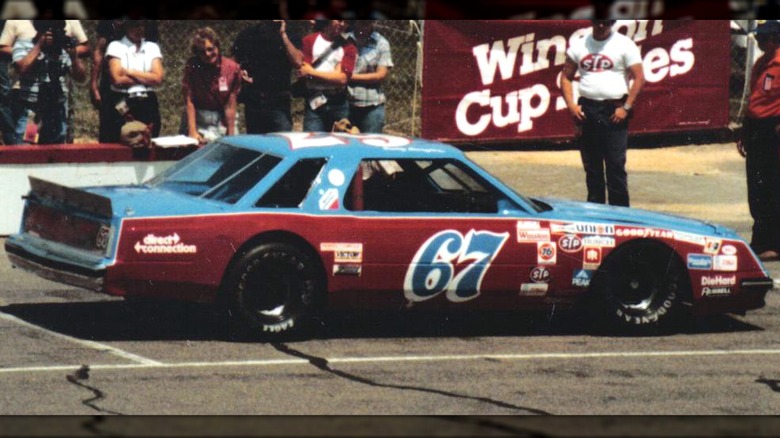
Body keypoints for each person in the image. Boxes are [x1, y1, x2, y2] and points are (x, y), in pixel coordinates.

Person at [560, 19, 645, 207]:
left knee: (615, 166)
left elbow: (639, 77)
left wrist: (626, 107)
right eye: (598, 22)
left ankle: (621, 216)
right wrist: (571, 106)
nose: (602, 26)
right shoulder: (579, 45)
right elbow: (565, 77)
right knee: (592, 168)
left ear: (613, 22)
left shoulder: (624, 44)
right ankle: (595, 213)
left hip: (614, 110)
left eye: (606, 22)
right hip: (588, 111)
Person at [737, 20, 780, 261]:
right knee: (756, 188)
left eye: (764, 38)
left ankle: (775, 243)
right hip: (756, 128)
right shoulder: (761, 63)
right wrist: (745, 130)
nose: (759, 42)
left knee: (772, 187)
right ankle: (760, 239)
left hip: (772, 128)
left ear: (775, 38)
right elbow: (755, 98)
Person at [8, 19, 86, 145]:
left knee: (55, 153)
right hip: (31, 110)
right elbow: (22, 67)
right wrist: (39, 45)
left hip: (56, 110)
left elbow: (81, 77)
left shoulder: (61, 48)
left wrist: (74, 56)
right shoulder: (24, 44)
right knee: (26, 150)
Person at [90, 20, 158, 143]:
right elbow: (99, 50)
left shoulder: (149, 23)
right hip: (113, 90)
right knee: (111, 133)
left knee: (145, 136)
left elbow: (154, 65)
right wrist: (94, 85)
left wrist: (141, 76)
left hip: (142, 91)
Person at [231, 20, 302, 134]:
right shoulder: (248, 34)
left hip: (279, 101)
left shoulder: (291, 34)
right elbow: (233, 63)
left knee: (281, 142)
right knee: (256, 146)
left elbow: (298, 62)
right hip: (254, 100)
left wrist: (283, 35)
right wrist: (240, 73)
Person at [180, 27, 242, 144]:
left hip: (221, 119)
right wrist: (192, 131)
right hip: (199, 118)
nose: (207, 54)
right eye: (202, 52)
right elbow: (189, 100)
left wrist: (230, 132)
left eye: (210, 49)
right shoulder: (192, 67)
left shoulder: (232, 68)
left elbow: (230, 103)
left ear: (217, 46)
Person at [298, 19, 357, 132]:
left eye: (346, 22)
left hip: (338, 103)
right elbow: (303, 71)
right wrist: (334, 74)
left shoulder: (349, 47)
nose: (343, 24)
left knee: (340, 144)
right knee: (313, 143)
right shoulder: (309, 41)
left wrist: (312, 73)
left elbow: (342, 79)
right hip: (314, 102)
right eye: (339, 20)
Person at [347, 20, 392, 134]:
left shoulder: (381, 43)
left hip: (372, 105)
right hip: (345, 104)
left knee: (370, 147)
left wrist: (349, 77)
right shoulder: (344, 40)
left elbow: (380, 75)